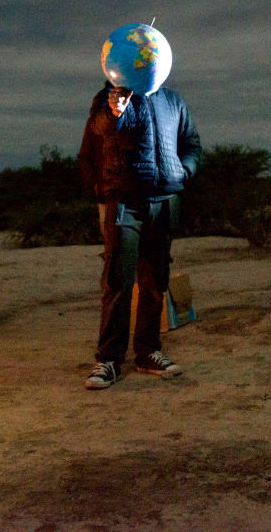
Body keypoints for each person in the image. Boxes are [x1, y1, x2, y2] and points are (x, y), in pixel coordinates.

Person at [83, 83, 201, 390]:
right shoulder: (110, 96)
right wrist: (115, 111)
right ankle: (109, 359)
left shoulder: (172, 99)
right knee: (118, 280)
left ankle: (148, 351)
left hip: (165, 199)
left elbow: (191, 142)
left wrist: (184, 171)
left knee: (155, 280)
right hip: (125, 200)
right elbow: (100, 129)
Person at [77, 81, 113, 238]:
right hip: (107, 187)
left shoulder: (95, 116)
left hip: (106, 187)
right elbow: (85, 156)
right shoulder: (96, 119)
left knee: (111, 236)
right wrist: (95, 183)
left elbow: (84, 155)